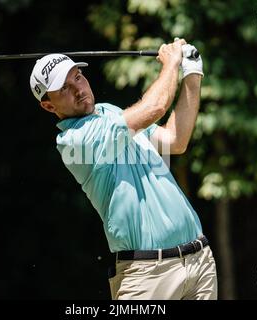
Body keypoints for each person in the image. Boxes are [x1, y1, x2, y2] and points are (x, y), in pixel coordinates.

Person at [29, 38, 217, 300]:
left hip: (199, 262)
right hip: (148, 275)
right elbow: (155, 107)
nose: (78, 89)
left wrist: (193, 74)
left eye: (78, 78)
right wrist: (172, 62)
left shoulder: (108, 112)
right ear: (48, 105)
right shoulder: (74, 140)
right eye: (64, 89)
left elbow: (175, 140)